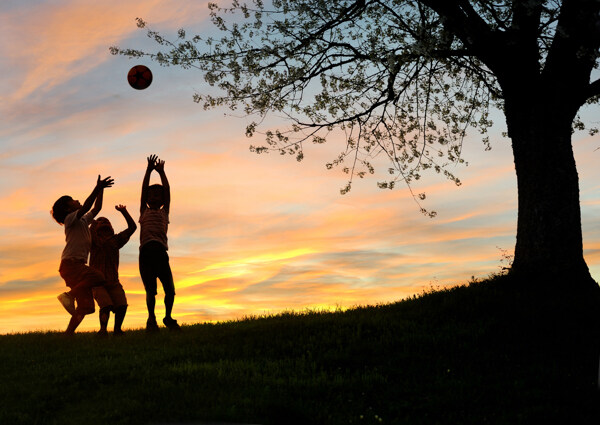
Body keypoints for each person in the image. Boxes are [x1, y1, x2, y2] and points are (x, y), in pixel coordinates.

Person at [51, 175, 114, 334]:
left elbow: (96, 208)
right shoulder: (70, 219)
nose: (77, 200)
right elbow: (86, 206)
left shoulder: (83, 221)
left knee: (87, 307)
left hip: (75, 266)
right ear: (67, 209)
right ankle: (69, 295)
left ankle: (68, 335)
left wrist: (101, 190)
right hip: (71, 265)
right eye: (72, 200)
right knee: (99, 277)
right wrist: (97, 188)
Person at [139, 154, 180, 331]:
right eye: (151, 195)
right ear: (147, 199)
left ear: (163, 200)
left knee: (170, 290)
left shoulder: (165, 212)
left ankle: (168, 317)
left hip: (161, 254)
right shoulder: (143, 211)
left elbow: (168, 190)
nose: (154, 197)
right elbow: (142, 190)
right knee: (150, 290)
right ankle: (151, 319)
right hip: (146, 254)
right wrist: (148, 170)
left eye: (158, 195)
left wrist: (162, 172)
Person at [90, 204, 137, 336]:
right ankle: (103, 330)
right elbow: (88, 232)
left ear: (112, 227)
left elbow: (132, 228)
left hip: (113, 281)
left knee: (122, 305)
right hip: (97, 282)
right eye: (100, 220)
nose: (104, 221)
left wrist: (124, 212)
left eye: (107, 221)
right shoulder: (93, 240)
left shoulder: (116, 240)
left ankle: (117, 329)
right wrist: (92, 223)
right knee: (106, 305)